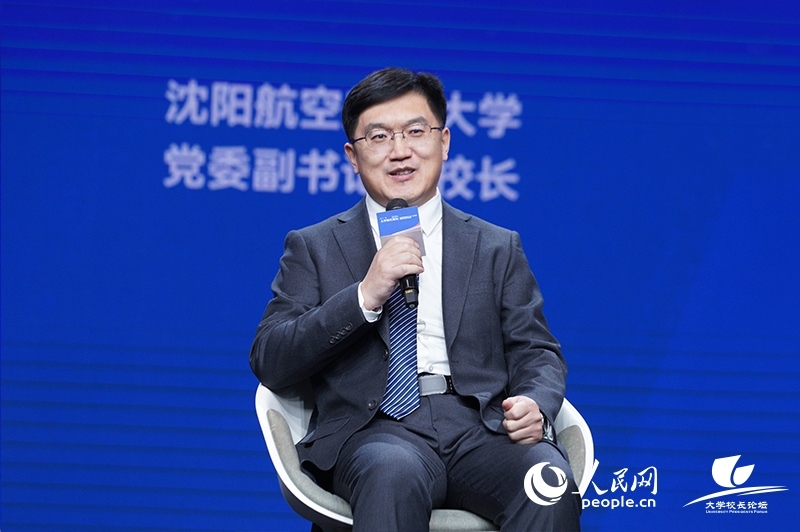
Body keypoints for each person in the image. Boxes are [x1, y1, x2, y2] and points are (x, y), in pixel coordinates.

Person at [250, 67, 581, 531]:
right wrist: (364, 296)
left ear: (443, 142)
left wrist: (534, 402)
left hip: (481, 430)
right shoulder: (314, 246)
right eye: (379, 137)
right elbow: (271, 358)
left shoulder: (496, 246)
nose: (400, 150)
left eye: (415, 131)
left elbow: (537, 350)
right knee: (393, 474)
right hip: (375, 433)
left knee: (546, 482)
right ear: (352, 156)